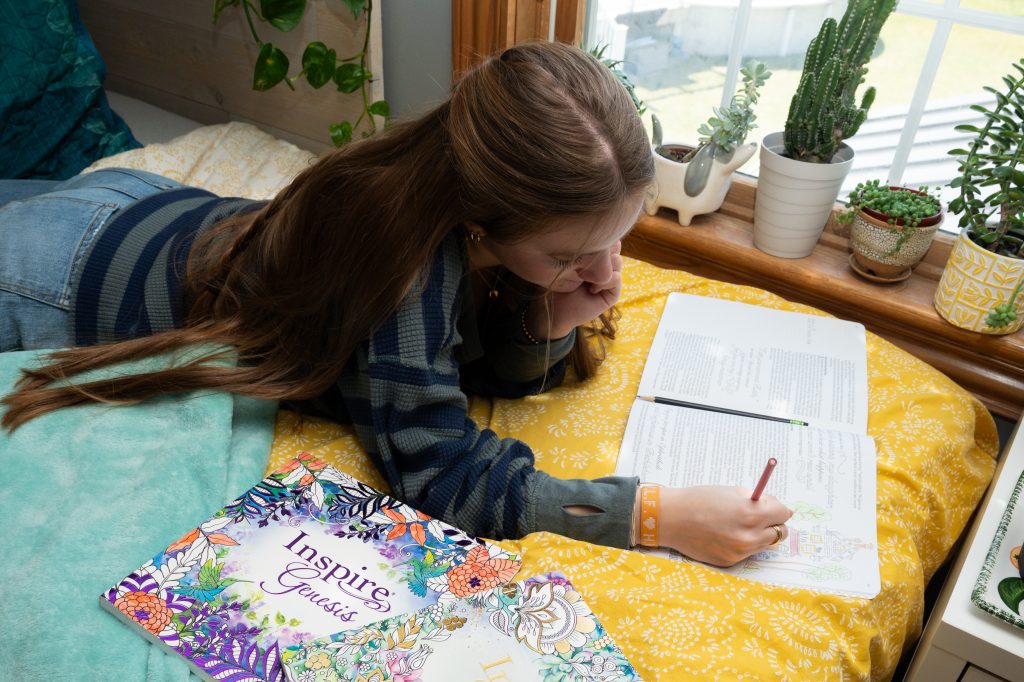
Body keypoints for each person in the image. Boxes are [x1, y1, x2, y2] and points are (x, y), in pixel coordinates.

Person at [0, 41, 791, 567]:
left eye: (617, 239)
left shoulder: (441, 174)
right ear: (482, 218)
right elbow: (447, 478)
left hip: (147, 207)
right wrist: (656, 518)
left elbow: (477, 362)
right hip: (58, 274)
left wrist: (555, 315)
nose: (603, 268)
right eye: (567, 255)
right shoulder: (404, 271)